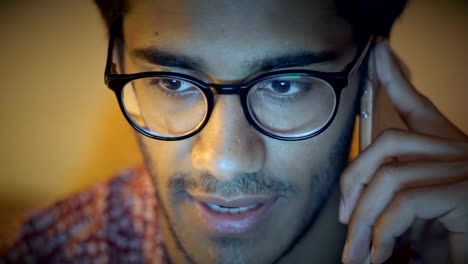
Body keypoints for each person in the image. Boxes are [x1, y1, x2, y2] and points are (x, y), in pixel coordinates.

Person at [1, 0, 467, 263]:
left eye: (284, 84)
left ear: (372, 74)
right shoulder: (48, 254)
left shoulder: (445, 249)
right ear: (119, 65)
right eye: (174, 82)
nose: (224, 160)